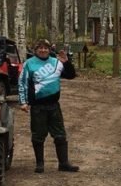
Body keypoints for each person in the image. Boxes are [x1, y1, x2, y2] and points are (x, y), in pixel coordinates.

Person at [18, 38, 79, 173]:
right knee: (38, 136)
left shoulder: (56, 62)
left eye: (45, 48)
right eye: (40, 48)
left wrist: (66, 62)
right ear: (35, 50)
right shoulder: (29, 64)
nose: (43, 50)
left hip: (54, 105)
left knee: (60, 135)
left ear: (49, 49)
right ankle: (40, 164)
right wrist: (23, 102)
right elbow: (22, 83)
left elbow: (71, 75)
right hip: (38, 107)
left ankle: (63, 163)